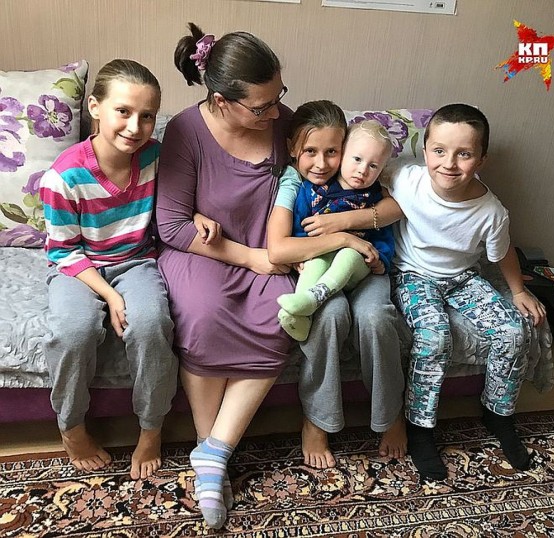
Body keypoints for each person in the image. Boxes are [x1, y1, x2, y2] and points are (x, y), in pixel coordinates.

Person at [155, 23, 294, 529]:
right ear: (220, 101)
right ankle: (208, 447)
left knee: (281, 316)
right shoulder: (186, 131)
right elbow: (172, 225)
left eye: (279, 97)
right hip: (206, 252)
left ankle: (213, 453)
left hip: (269, 252)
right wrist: (251, 258)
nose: (275, 113)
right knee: (203, 314)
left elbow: (327, 178)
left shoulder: (286, 123)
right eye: (261, 107)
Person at [387, 103, 547, 481]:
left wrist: (518, 291)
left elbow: (502, 251)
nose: (449, 163)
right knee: (434, 337)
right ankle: (421, 428)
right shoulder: (404, 177)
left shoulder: (492, 211)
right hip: (412, 275)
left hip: (461, 277)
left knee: (514, 330)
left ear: (481, 160)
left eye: (464, 154)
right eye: (439, 151)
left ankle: (498, 414)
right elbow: (358, 172)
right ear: (424, 150)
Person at [40, 59, 178, 481]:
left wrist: (199, 217)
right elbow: (64, 251)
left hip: (136, 260)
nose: (135, 127)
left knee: (152, 324)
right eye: (123, 111)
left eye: (147, 116)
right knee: (74, 330)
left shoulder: (157, 157)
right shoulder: (63, 176)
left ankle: (151, 428)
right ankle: (71, 427)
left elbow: (180, 203)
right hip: (78, 266)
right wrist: (111, 296)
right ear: (95, 108)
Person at [267, 100, 407, 471]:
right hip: (322, 271)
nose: (322, 162)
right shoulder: (300, 186)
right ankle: (317, 420)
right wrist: (341, 238)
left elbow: (394, 211)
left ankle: (390, 414)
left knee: (377, 318)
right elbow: (285, 244)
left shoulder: (368, 183)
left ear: (343, 149)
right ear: (294, 149)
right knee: (329, 317)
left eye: (332, 152)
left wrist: (362, 242)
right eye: (311, 152)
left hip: (368, 272)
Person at [276, 118, 395, 342]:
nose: (362, 170)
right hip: (322, 257)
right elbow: (298, 228)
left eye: (373, 166)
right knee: (314, 263)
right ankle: (298, 316)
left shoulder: (374, 197)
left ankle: (315, 297)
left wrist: (382, 259)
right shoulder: (312, 190)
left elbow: (383, 234)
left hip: (357, 265)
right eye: (357, 159)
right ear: (343, 154)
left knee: (348, 254)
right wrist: (299, 256)